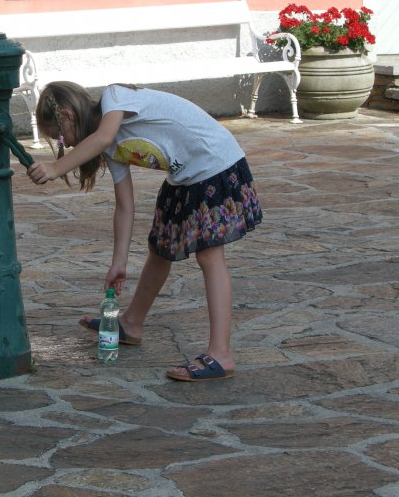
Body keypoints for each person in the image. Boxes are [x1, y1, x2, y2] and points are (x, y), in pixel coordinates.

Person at [26, 81, 262, 382]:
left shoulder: (115, 98)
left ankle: (221, 354)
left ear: (67, 114)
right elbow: (124, 206)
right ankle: (132, 322)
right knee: (160, 249)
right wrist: (118, 263)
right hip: (185, 176)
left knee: (209, 256)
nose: (66, 144)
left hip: (215, 163)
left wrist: (57, 168)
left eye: (60, 136)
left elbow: (102, 136)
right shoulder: (109, 147)